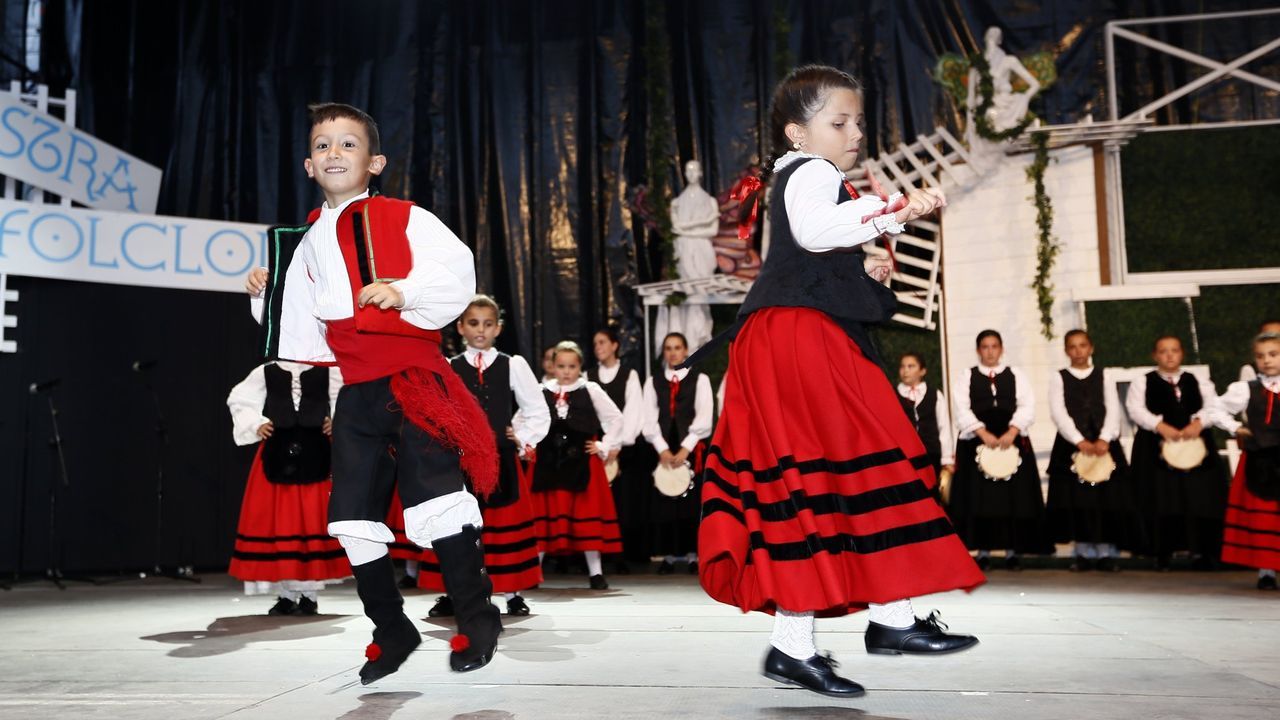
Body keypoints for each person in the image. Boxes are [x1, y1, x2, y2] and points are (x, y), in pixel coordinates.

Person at [695, 65, 981, 699]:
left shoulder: (806, 177)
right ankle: (880, 622)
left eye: (858, 121)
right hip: (797, 341)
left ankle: (857, 629)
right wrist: (895, 207)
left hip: (796, 336)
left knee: (827, 480)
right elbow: (815, 231)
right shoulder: (812, 172)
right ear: (800, 133)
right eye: (839, 122)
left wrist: (866, 257)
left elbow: (816, 246)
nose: (855, 132)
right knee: (848, 467)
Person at [244, 102, 501, 682]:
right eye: (322, 145)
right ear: (309, 164)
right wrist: (267, 291)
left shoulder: (405, 216)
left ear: (375, 161)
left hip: (414, 381)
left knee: (435, 497)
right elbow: (299, 326)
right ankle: (392, 627)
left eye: (348, 144)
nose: (334, 153)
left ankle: (478, 615)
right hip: (357, 392)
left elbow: (457, 268)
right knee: (352, 514)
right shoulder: (305, 240)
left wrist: (403, 291)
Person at [416, 295, 550, 616]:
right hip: (459, 463)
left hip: (500, 459)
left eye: (488, 324)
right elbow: (435, 411)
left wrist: (521, 439)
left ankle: (511, 592)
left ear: (498, 328)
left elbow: (537, 410)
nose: (481, 330)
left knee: (501, 525)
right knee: (458, 527)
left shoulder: (512, 364)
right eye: (473, 323)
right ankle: (454, 592)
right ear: (461, 327)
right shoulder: (449, 368)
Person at [226, 361, 349, 615]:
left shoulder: (328, 368)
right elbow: (239, 398)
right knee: (281, 522)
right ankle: (286, 594)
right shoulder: (267, 370)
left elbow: (351, 397)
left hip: (316, 453)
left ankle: (309, 595)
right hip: (277, 454)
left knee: (312, 522)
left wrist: (338, 420)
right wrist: (255, 423)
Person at [1124, 335, 1229, 570]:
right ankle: (1162, 551)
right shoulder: (1143, 381)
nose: (1169, 355)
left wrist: (1198, 423)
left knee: (1200, 498)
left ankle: (1202, 551)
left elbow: (1213, 406)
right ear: (1155, 355)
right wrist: (1159, 426)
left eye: (1174, 350)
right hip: (1156, 447)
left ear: (1182, 353)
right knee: (1163, 499)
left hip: (1195, 445)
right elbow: (1135, 409)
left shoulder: (1198, 380)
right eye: (1163, 351)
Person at [948, 330, 1050, 570]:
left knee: (1011, 500)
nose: (990, 351)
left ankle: (1012, 552)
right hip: (977, 442)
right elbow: (961, 408)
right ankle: (982, 552)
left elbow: (1027, 406)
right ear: (978, 350)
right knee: (981, 500)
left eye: (994, 346)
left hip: (1009, 440)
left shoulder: (1017, 375)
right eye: (985, 347)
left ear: (1001, 349)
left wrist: (1012, 431)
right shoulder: (967, 376)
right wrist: (982, 433)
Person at [527, 341, 625, 589]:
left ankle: (595, 572)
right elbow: (525, 420)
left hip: (581, 463)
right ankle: (533, 573)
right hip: (548, 464)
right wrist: (526, 445)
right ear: (553, 366)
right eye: (561, 366)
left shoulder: (589, 389)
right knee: (543, 517)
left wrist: (603, 445)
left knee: (585, 513)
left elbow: (615, 418)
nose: (566, 371)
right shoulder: (541, 391)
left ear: (580, 366)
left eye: (571, 366)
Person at [1044, 330, 1132, 572]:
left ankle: (1105, 553)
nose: (1078, 351)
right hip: (1071, 444)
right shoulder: (1059, 377)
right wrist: (1078, 440)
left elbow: (1113, 408)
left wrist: (1104, 438)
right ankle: (1081, 552)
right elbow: (1058, 411)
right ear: (1066, 351)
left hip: (1104, 442)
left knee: (1106, 499)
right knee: (1077, 500)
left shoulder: (1104, 375)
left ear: (1091, 348)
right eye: (1072, 346)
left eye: (1082, 345)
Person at [641, 332, 714, 574]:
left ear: (686, 351)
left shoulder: (699, 379)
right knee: (666, 503)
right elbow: (648, 418)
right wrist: (661, 448)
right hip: (663, 444)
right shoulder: (653, 381)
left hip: (689, 446)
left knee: (690, 505)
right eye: (668, 348)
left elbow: (704, 416)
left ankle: (694, 554)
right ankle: (670, 555)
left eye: (677, 348)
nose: (673, 352)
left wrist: (687, 447)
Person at [1214, 332, 1280, 589]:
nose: (1267, 360)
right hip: (1260, 459)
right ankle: (1266, 571)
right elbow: (1215, 408)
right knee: (1263, 517)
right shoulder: (1246, 389)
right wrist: (1234, 427)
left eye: (1273, 354)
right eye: (1260, 356)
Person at [585, 327, 648, 574]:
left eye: (602, 342)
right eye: (595, 343)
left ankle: (621, 554)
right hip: (597, 448)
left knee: (622, 504)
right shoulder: (588, 376)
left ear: (614, 345)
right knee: (597, 504)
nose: (598, 347)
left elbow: (633, 413)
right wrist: (602, 445)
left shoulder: (628, 375)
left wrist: (617, 445)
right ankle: (596, 556)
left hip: (623, 450)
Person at [896, 352, 954, 478]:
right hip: (904, 456)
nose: (905, 370)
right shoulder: (893, 396)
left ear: (922, 371)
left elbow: (944, 427)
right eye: (902, 366)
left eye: (911, 366)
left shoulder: (935, 395)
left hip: (931, 453)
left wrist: (947, 459)